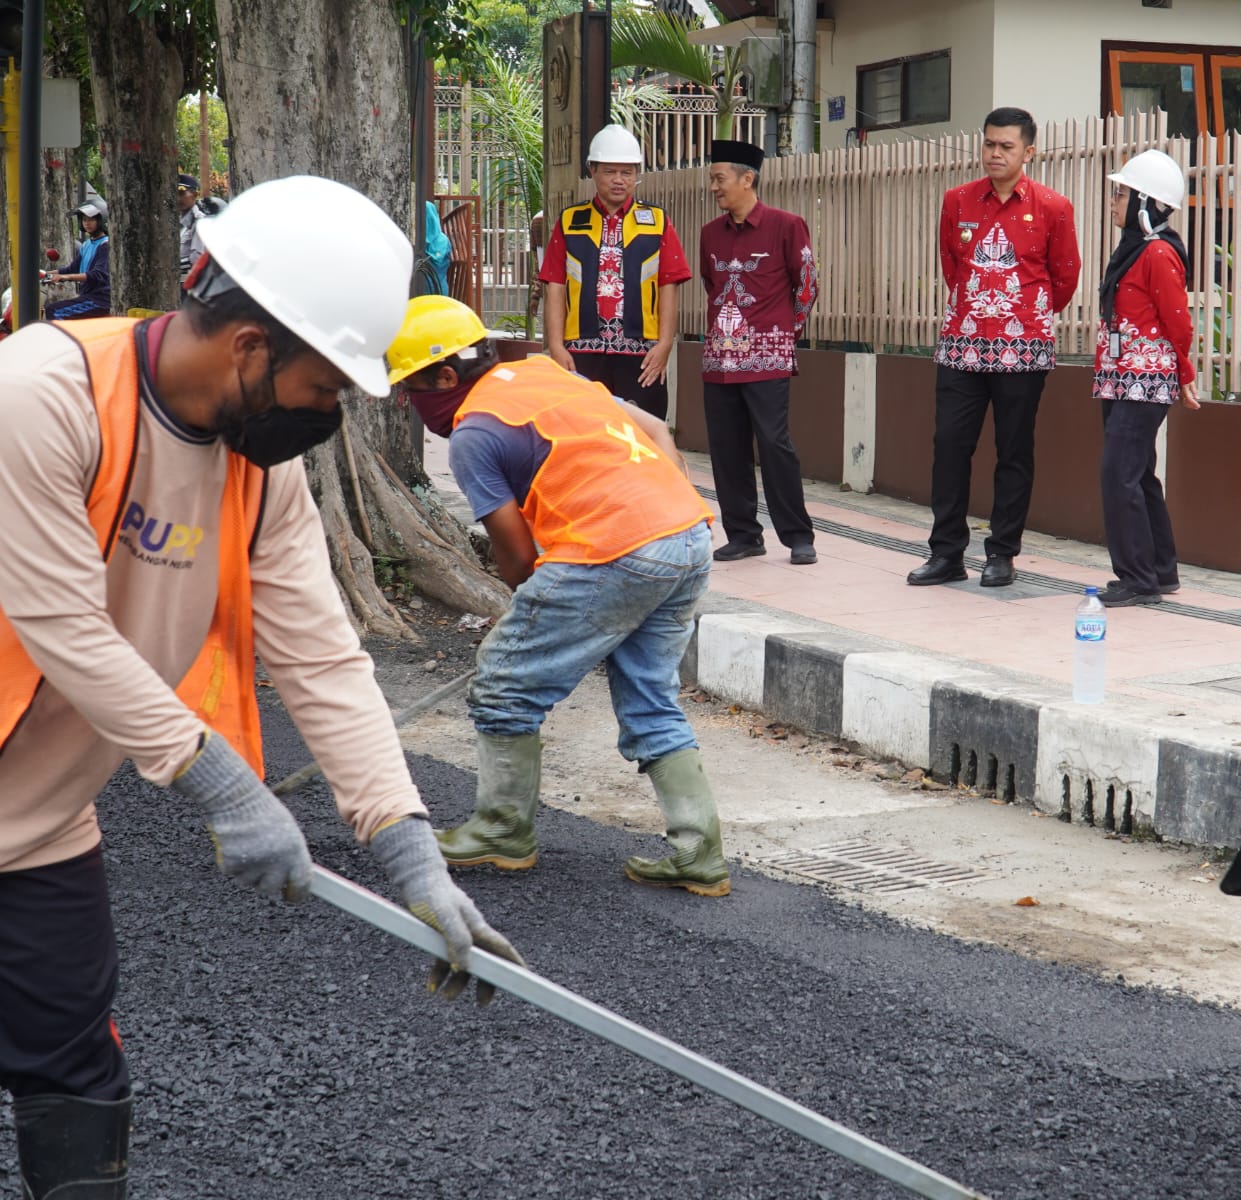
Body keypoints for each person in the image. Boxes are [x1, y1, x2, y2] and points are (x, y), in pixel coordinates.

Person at [0, 176, 522, 1198]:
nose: (326, 418)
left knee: (74, 1073)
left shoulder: (259, 475)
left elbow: (323, 658)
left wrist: (409, 850)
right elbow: (60, 622)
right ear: (251, 346)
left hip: (40, 830)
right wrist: (224, 784)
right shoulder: (40, 394)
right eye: (326, 390)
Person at [387, 294, 732, 899]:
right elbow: (653, 427)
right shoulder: (548, 373)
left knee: (503, 682)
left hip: (612, 547)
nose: (407, 404)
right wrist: (666, 514)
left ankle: (501, 831)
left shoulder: (473, 434)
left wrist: (543, 620)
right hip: (688, 534)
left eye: (409, 391)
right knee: (650, 693)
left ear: (446, 377)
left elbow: (517, 558)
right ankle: (698, 850)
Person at [907, 106, 1081, 589]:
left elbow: (1064, 276)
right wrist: (979, 310)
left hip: (1022, 348)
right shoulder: (957, 201)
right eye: (989, 144)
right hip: (962, 343)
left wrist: (1023, 316)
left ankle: (1002, 553)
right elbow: (952, 265)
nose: (995, 154)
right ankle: (946, 554)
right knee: (949, 447)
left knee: (1014, 451)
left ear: (1029, 151)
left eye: (1006, 146)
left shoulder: (1052, 206)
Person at [700, 137, 819, 566]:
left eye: (720, 179)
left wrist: (782, 334)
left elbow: (806, 287)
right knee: (726, 447)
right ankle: (744, 534)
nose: (714, 187)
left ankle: (797, 535)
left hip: (768, 359)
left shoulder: (787, 225)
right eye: (712, 179)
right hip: (719, 358)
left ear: (747, 179)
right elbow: (712, 286)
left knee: (774, 443)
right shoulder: (709, 234)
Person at [1091, 149, 1201, 608]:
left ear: (1144, 203)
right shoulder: (1134, 249)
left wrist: (1186, 373)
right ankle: (1158, 570)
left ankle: (1138, 578)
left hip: (1144, 380)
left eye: (1121, 193)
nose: (1113, 201)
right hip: (1123, 378)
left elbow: (1179, 321)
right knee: (1137, 475)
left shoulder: (1156, 253)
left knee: (1119, 473)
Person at [540, 124, 691, 421]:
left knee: (644, 436)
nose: (619, 180)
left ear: (637, 175)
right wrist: (556, 346)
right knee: (583, 433)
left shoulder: (657, 221)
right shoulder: (570, 221)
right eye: (610, 171)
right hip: (580, 354)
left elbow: (668, 285)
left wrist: (664, 345)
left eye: (627, 172)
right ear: (592, 171)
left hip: (642, 355)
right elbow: (555, 285)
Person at [43, 197, 111, 321]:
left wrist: (65, 277)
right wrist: (44, 274)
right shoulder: (86, 244)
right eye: (84, 220)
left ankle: (63, 341)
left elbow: (97, 274)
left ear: (101, 220)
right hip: (87, 296)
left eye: (91, 219)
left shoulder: (105, 245)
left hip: (99, 299)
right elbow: (71, 269)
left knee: (54, 310)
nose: (87, 223)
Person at [178, 173, 228, 275]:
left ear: (194, 195)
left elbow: (196, 258)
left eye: (181, 193)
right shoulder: (182, 221)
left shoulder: (200, 222)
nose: (178, 198)